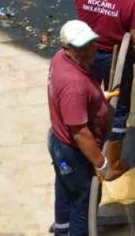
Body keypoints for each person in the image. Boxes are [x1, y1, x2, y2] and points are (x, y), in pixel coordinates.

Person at [48, 20, 127, 235]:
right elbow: (80, 132)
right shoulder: (73, 85)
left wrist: (98, 99)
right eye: (82, 47)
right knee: (84, 203)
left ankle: (62, 230)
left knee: (65, 191)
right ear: (68, 48)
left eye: (91, 43)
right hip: (73, 153)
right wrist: (100, 163)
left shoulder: (59, 59)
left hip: (58, 143)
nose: (91, 49)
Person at [74, 0, 135, 170]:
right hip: (116, 61)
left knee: (91, 101)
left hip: (86, 55)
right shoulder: (128, 1)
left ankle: (88, 148)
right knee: (119, 108)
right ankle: (112, 164)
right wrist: (134, 13)